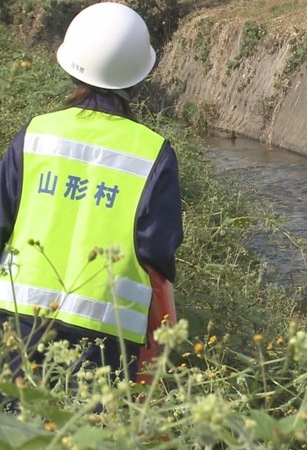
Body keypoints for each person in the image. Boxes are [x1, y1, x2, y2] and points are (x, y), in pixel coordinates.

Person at [0, 2, 183, 384]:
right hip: (105, 338)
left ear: (72, 64)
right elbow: (156, 259)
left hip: (14, 320)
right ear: (139, 74)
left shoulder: (35, 134)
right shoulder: (153, 153)